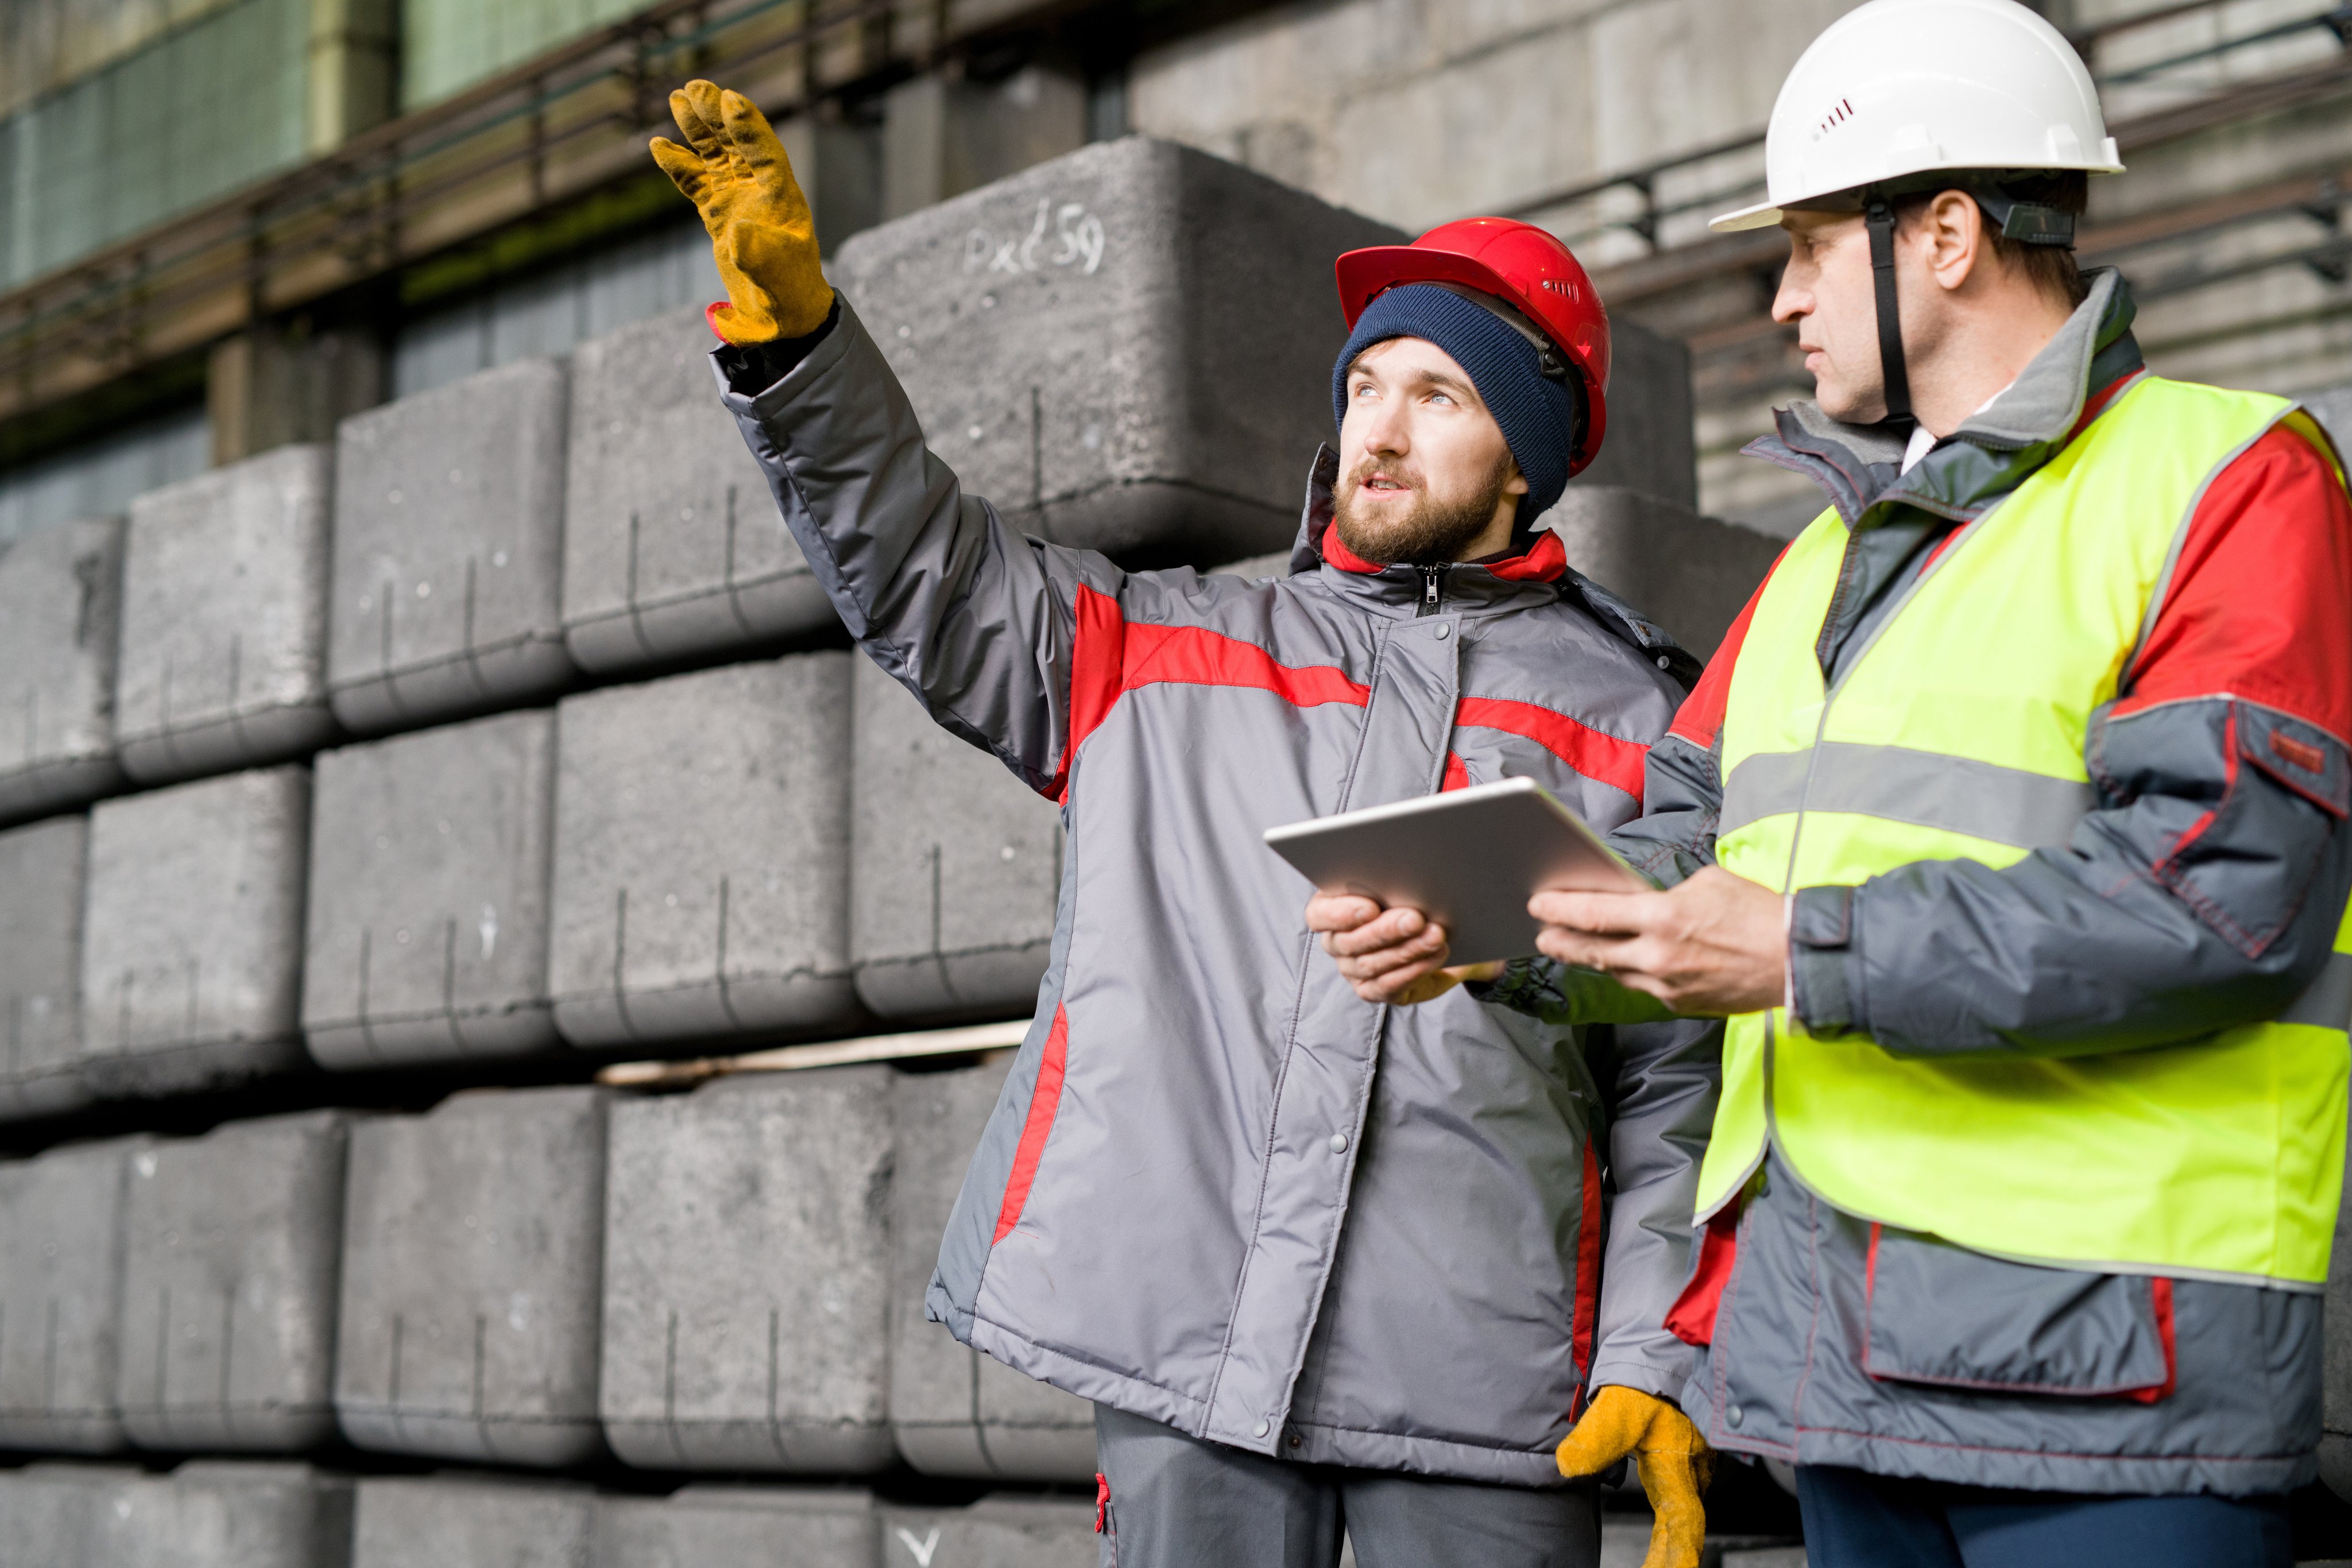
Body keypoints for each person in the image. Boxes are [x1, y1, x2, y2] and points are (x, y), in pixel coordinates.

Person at [1313, 2, 2352, 1565]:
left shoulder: (2229, 480)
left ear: (1940, 235)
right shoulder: (1816, 568)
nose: (1788, 298)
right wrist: (1485, 927)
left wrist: (1802, 950)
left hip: (2110, 1396)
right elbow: (1682, 853)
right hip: (1840, 1377)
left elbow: (2215, 894)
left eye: (1806, 245)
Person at [652, 78, 1722, 1568]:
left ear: (1532, 454)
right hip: (1195, 1377)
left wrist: (1650, 1358)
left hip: (1484, 1404)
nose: (1383, 428)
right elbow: (921, 567)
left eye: (1442, 393)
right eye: (1366, 385)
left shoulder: (1636, 722)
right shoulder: (1161, 647)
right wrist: (799, 348)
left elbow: (1678, 1080)